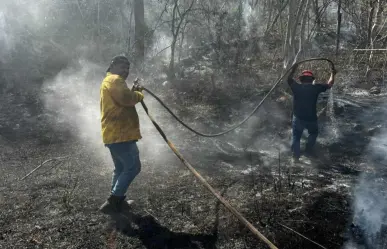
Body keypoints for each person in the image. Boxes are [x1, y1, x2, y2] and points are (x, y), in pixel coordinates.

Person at [99, 55, 145, 214]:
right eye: (122, 67)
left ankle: (116, 199)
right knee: (133, 167)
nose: (125, 71)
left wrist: (133, 92)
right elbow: (126, 99)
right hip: (120, 134)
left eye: (127, 68)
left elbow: (123, 98)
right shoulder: (114, 80)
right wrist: (139, 94)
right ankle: (113, 202)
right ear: (112, 66)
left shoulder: (111, 81)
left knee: (120, 168)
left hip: (114, 134)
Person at [288, 65, 337, 162]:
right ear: (311, 80)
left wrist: (293, 69)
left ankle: (295, 157)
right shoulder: (316, 88)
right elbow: (330, 83)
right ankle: (308, 151)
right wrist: (333, 73)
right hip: (311, 118)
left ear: (301, 79)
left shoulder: (296, 87)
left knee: (296, 136)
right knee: (313, 133)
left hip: (298, 117)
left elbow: (289, 79)